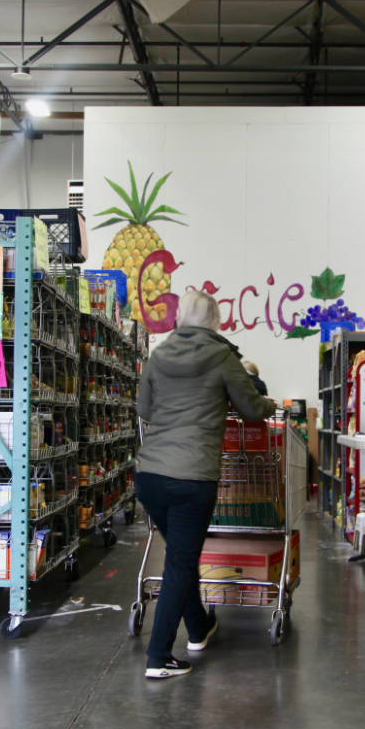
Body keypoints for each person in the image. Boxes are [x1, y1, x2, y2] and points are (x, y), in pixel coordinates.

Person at [135, 290, 276, 679]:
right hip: (191, 477)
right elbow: (251, 408)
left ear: (181, 318)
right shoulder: (222, 356)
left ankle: (199, 627)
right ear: (214, 321)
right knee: (180, 563)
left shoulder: (158, 356)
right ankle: (159, 656)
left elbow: (144, 409)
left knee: (182, 556)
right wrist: (272, 405)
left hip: (149, 477)